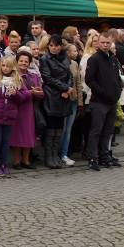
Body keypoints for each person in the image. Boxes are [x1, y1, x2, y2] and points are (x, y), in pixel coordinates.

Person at [0, 55, 29, 177]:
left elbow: (24, 96)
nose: (5, 68)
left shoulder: (17, 80)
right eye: (3, 65)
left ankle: (4, 163)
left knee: (6, 141)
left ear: (13, 67)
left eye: (8, 66)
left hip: (10, 114)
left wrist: (16, 94)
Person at [84, 32, 122, 171]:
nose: (105, 45)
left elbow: (117, 77)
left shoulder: (112, 58)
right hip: (99, 101)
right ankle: (93, 158)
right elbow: (89, 80)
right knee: (96, 131)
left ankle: (105, 156)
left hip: (112, 101)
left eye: (108, 43)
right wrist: (102, 92)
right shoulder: (94, 59)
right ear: (98, 43)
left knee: (108, 130)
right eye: (103, 42)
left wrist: (118, 89)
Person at [39, 35, 74, 169]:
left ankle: (55, 155)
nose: (54, 48)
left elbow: (69, 75)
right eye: (52, 45)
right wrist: (65, 88)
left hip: (63, 96)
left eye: (57, 45)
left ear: (61, 46)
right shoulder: (45, 59)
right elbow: (47, 77)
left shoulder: (65, 58)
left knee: (59, 128)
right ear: (48, 46)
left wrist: (69, 88)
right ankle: (49, 157)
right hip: (51, 95)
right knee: (51, 128)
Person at [10, 48, 42, 169]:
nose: (23, 63)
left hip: (29, 109)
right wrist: (31, 92)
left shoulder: (33, 76)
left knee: (28, 135)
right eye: (21, 61)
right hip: (16, 108)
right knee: (17, 136)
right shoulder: (13, 76)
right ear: (17, 62)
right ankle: (16, 161)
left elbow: (41, 93)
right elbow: (16, 96)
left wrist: (38, 93)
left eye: (26, 61)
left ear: (29, 63)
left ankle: (26, 160)